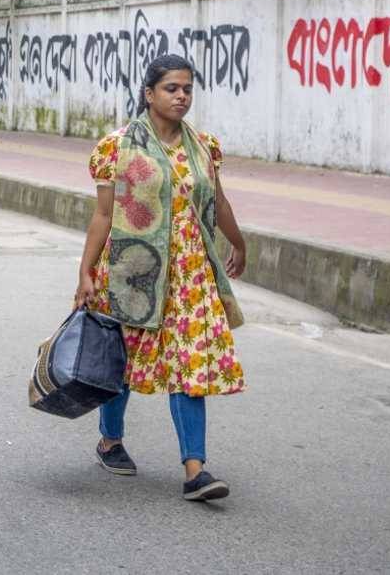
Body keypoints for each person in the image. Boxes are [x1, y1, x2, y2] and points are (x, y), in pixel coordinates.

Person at [73, 53, 247, 501]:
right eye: (171, 88)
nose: (181, 96)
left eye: (187, 88)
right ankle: (110, 440)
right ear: (149, 94)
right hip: (135, 272)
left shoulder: (204, 146)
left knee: (191, 364)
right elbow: (104, 214)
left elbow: (220, 204)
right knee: (124, 362)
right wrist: (86, 272)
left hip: (190, 273)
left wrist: (239, 243)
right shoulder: (117, 146)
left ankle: (195, 470)